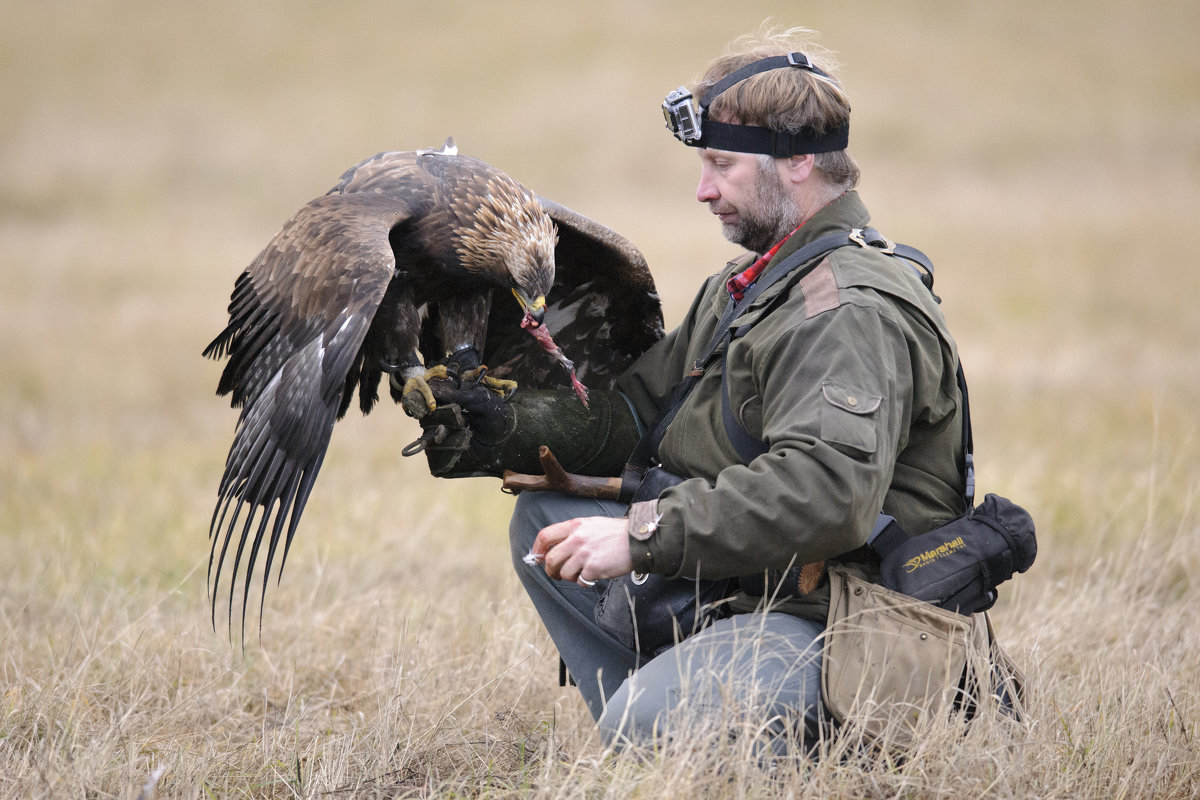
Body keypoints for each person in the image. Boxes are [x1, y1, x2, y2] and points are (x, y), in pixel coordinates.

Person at [409, 26, 970, 751]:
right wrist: (503, 424)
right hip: (753, 587)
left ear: (798, 159)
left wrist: (641, 537)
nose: (703, 190)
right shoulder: (752, 285)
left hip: (849, 622)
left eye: (722, 165)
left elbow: (828, 495)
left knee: (646, 720)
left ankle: (683, 732)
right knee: (545, 522)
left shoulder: (847, 309)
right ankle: (671, 727)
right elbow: (638, 415)